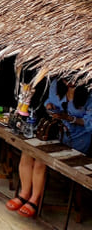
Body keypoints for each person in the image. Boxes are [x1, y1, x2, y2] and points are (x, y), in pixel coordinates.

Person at [8, 80, 91, 217]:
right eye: (65, 79)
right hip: (58, 133)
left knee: (42, 159)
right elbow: (49, 103)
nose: (68, 82)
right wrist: (50, 107)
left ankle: (34, 200)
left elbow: (90, 123)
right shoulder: (56, 85)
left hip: (78, 139)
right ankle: (24, 194)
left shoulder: (89, 93)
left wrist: (69, 118)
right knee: (28, 152)